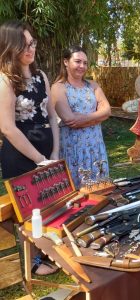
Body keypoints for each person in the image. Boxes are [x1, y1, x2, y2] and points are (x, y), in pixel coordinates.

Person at [0, 20, 59, 275]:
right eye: (23, 45)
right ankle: (32, 262)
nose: (30, 49)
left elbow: (51, 116)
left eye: (32, 43)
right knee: (27, 211)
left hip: (46, 155)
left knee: (50, 204)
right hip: (20, 157)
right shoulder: (5, 81)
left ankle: (49, 252)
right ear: (9, 47)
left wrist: (54, 153)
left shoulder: (41, 75)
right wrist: (38, 158)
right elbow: (8, 128)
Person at [51, 45, 111, 188]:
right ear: (66, 62)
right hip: (74, 150)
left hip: (96, 148)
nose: (82, 66)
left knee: (101, 191)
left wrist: (82, 118)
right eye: (77, 61)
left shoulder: (92, 85)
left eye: (85, 63)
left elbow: (107, 110)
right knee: (77, 193)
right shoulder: (58, 87)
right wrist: (98, 117)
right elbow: (69, 120)